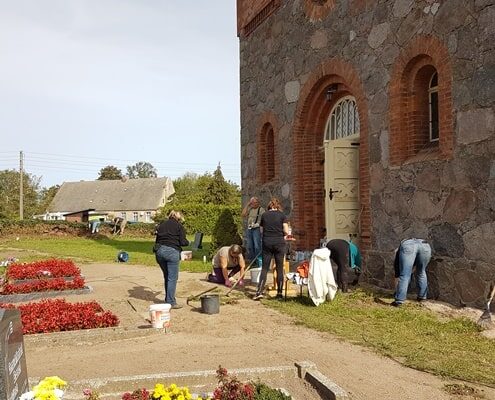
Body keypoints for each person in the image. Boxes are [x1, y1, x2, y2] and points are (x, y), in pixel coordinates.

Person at [254, 197, 289, 300]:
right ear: (278, 206)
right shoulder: (282, 215)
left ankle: (259, 291)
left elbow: (261, 230)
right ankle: (279, 293)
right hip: (279, 243)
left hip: (267, 242)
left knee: (264, 268)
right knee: (279, 268)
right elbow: (286, 231)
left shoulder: (264, 215)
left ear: (269, 206)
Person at [154, 210, 189, 309]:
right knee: (172, 278)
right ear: (178, 218)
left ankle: (168, 299)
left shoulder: (161, 225)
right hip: (172, 252)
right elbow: (183, 242)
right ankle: (171, 302)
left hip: (159, 251)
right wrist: (188, 243)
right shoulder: (179, 226)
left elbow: (157, 240)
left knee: (167, 276)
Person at [391, 238, 432, 307]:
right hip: (425, 245)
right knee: (421, 272)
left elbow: (398, 274)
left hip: (408, 245)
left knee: (404, 275)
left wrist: (396, 291)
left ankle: (399, 301)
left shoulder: (399, 253)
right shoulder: (400, 251)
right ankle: (422, 297)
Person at [241, 196, 264, 269]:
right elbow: (243, 214)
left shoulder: (261, 210)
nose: (253, 204)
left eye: (255, 202)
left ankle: (259, 262)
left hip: (256, 228)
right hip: (249, 229)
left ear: (258, 203)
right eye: (252, 203)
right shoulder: (250, 209)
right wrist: (248, 205)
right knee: (250, 246)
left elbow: (263, 219)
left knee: (257, 246)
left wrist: (259, 225)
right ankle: (252, 262)